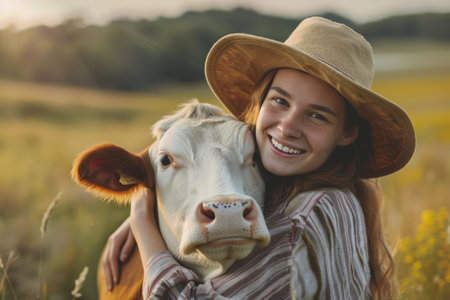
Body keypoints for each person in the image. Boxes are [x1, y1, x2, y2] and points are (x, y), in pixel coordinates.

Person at [103, 16, 415, 299]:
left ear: (348, 133)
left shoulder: (305, 219)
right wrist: (165, 202)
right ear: (260, 100)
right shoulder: (300, 188)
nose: (288, 127)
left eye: (317, 116)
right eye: (280, 100)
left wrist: (143, 218)